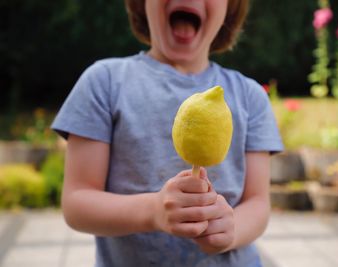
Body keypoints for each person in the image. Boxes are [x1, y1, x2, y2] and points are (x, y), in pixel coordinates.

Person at [51, 0, 283, 266]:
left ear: (230, 7)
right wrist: (152, 212)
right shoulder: (104, 83)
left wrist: (230, 231)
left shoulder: (250, 96)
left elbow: (258, 203)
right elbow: (77, 203)